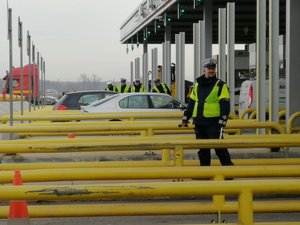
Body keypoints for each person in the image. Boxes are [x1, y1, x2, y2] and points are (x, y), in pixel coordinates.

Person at [179, 58, 234, 167]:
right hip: (199, 121)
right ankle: (205, 172)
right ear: (204, 69)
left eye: (213, 68)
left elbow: (225, 104)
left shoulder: (220, 85)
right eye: (209, 68)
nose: (211, 70)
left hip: (213, 123)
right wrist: (186, 117)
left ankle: (229, 170)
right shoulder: (197, 84)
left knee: (219, 148)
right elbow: (192, 102)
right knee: (203, 149)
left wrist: (223, 120)